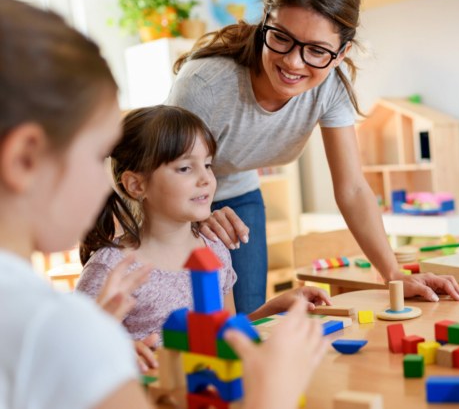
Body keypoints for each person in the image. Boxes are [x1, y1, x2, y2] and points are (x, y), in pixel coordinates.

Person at [0, 0, 326, 409]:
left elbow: (220, 329)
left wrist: (266, 312)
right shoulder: (58, 329)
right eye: (96, 154)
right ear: (25, 159)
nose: (105, 183)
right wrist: (273, 395)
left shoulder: (209, 252)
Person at [167, 0, 459, 314]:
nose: (294, 62)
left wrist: (393, 274)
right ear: (265, 20)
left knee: (246, 324)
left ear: (341, 55)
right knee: (179, 321)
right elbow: (160, 170)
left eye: (317, 50)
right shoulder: (205, 85)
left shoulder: (329, 89)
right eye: (281, 37)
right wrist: (197, 217)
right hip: (169, 196)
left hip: (236, 196)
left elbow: (353, 188)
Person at [76, 105, 333, 372]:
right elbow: (74, 358)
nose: (206, 179)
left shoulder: (215, 249)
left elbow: (225, 333)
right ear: (136, 185)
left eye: (208, 165)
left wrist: (275, 307)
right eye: (185, 168)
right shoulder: (111, 269)